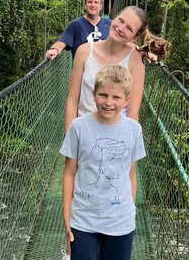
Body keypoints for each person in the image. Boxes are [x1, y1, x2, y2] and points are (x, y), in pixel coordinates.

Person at [60, 65, 146, 260]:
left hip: (120, 223)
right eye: (103, 95)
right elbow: (69, 172)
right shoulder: (78, 127)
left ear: (127, 100)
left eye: (116, 97)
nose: (108, 102)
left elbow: (130, 174)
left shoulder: (134, 130)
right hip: (83, 221)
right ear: (93, 95)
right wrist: (67, 216)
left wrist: (130, 210)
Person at [65, 5, 171, 132]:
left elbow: (132, 112)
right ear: (114, 19)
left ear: (134, 37)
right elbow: (72, 101)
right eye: (121, 20)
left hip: (116, 138)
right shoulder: (84, 51)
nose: (121, 28)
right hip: (83, 133)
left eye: (129, 28)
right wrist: (69, 141)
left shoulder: (135, 59)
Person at [45, 0, 112, 60]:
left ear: (101, 6)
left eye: (96, 2)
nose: (92, 5)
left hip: (104, 70)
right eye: (90, 2)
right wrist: (55, 49)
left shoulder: (110, 24)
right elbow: (62, 42)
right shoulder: (75, 25)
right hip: (81, 69)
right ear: (85, 5)